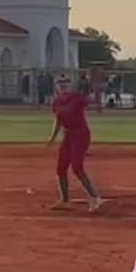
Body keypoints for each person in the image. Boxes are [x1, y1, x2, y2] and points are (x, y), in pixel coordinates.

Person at [46, 75, 104, 212]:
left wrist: (95, 89)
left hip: (81, 135)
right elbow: (58, 120)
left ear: (70, 85)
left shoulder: (77, 97)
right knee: (61, 168)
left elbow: (93, 102)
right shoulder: (57, 101)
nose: (63, 85)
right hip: (68, 136)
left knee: (77, 167)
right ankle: (65, 201)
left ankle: (95, 198)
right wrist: (52, 137)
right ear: (56, 86)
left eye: (66, 82)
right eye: (60, 83)